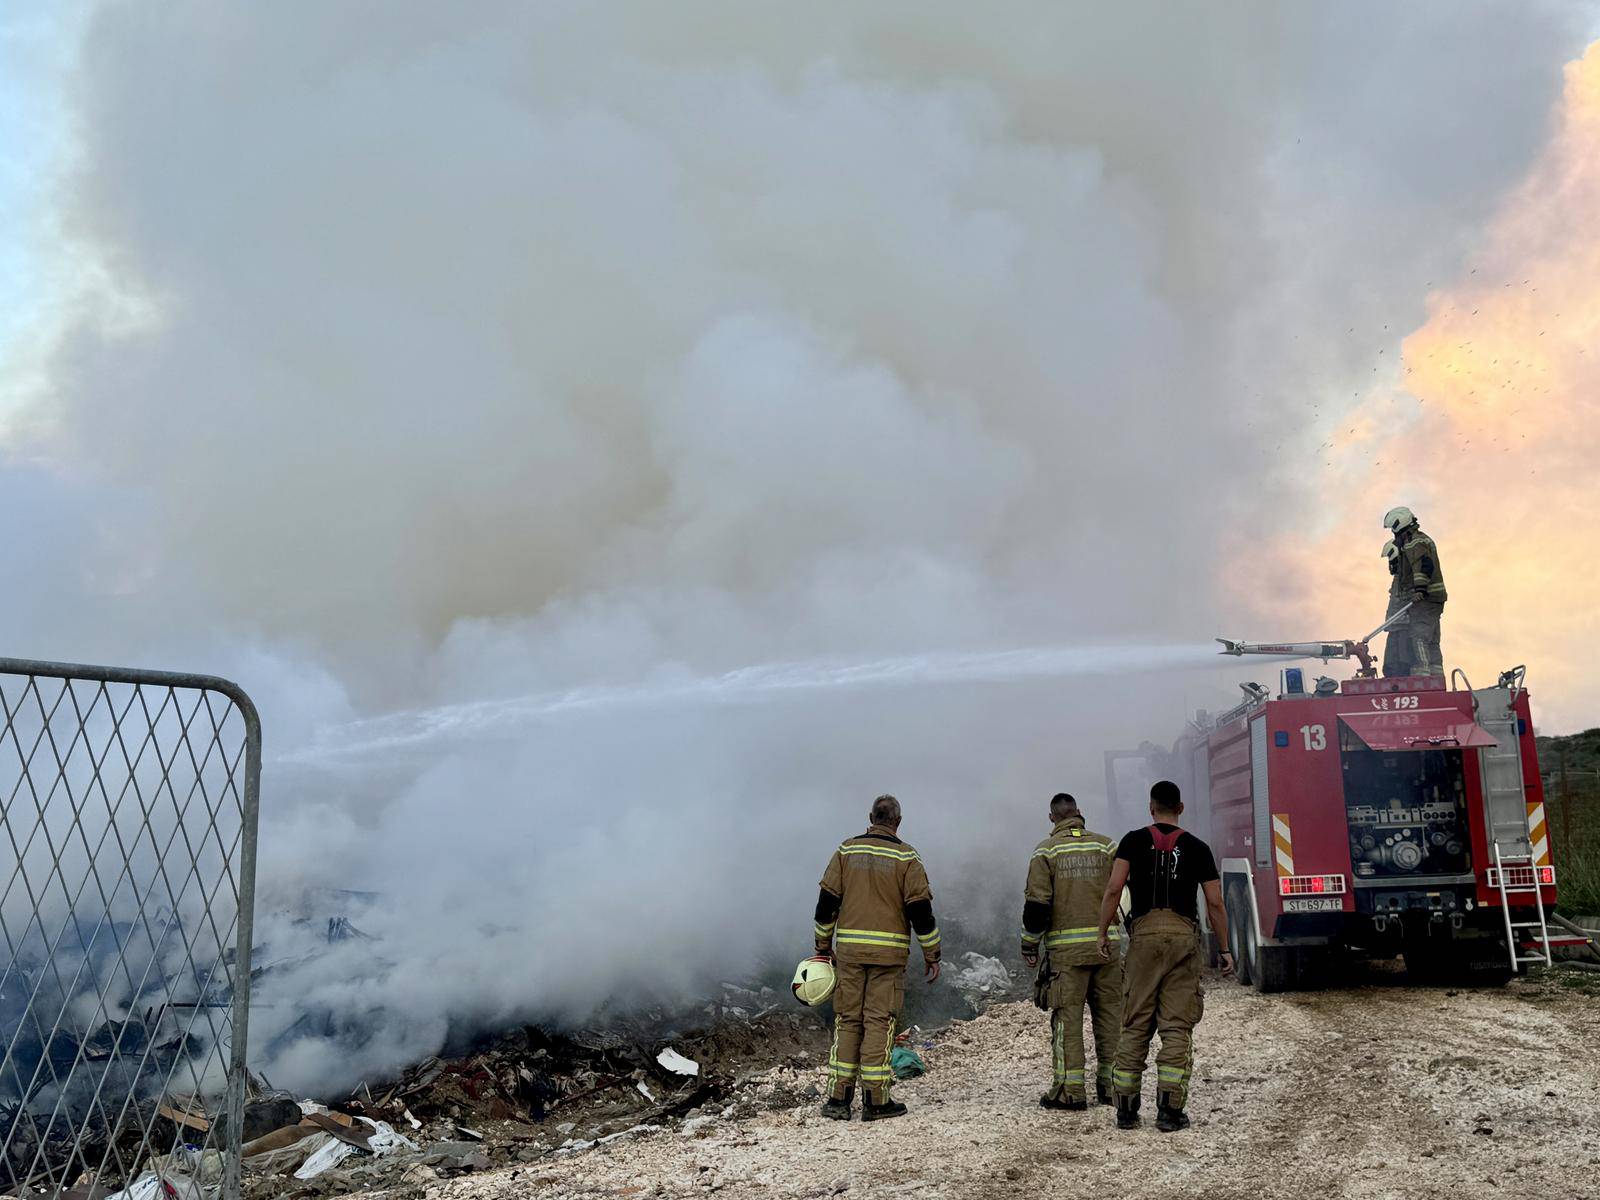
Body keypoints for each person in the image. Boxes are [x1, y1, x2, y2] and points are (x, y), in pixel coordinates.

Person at [1095, 780, 1233, 1133]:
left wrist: (1102, 933)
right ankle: (1170, 1112)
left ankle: (1126, 1111)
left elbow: (1113, 888)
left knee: (1135, 1022)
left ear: (1151, 807)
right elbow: (1215, 903)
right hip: (1182, 939)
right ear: (1181, 808)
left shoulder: (1131, 840)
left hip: (1143, 939)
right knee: (1176, 1026)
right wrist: (1226, 948)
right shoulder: (1199, 848)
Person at [812, 794, 941, 1122]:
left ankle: (838, 1100)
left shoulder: (846, 851)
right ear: (898, 821)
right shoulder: (907, 857)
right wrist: (932, 954)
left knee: (848, 1020)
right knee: (879, 1022)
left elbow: (827, 902)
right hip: (889, 956)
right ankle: (876, 1100)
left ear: (870, 817)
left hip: (851, 954)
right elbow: (920, 912)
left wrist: (822, 946)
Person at [1021, 793, 1122, 1111]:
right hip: (1108, 948)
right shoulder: (1107, 846)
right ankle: (1113, 1088)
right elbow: (1124, 893)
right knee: (1110, 1017)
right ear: (1080, 813)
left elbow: (1037, 906)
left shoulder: (1046, 851)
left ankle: (1070, 1091)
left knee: (1068, 1019)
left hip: (1067, 954)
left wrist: (1029, 944)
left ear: (1052, 818)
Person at [1383, 506, 1447, 678]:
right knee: (1431, 640)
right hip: (1433, 599)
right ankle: (1436, 675)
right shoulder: (1418, 540)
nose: (1393, 534)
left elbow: (1422, 565)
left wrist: (1420, 589)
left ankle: (1422, 673)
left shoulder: (1414, 542)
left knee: (1418, 636)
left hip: (1425, 599)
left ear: (1399, 525)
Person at [1379, 539, 1414, 677]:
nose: (1390, 563)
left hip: (1403, 626)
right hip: (1395, 625)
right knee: (1391, 665)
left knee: (1400, 664)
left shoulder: (1408, 576)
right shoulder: (1399, 578)